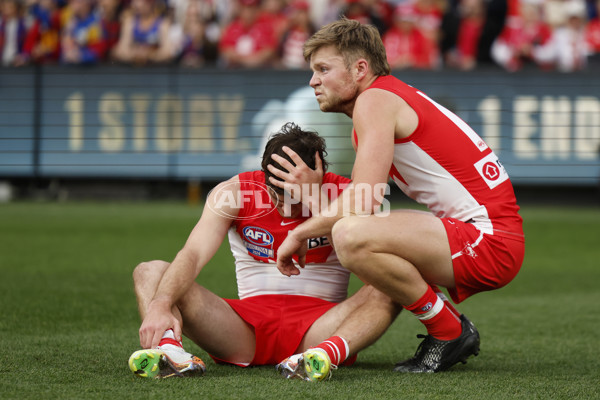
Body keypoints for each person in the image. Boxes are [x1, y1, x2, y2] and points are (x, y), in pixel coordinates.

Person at [269, 18, 525, 375]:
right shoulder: (387, 95)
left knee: (350, 235)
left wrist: (298, 232)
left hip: (488, 240)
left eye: (323, 69)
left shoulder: (373, 100)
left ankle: (448, 330)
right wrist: (314, 195)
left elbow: (363, 202)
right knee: (358, 234)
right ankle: (447, 329)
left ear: (361, 68)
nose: (313, 81)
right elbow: (365, 201)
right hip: (487, 235)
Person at [128, 122, 401, 381]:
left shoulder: (349, 194)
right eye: (277, 196)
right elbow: (193, 255)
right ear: (264, 175)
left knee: (395, 279)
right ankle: (169, 352)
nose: (284, 209)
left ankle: (322, 356)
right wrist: (161, 304)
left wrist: (315, 200)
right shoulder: (234, 192)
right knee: (148, 272)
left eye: (294, 198)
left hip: (321, 327)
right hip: (242, 330)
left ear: (319, 174)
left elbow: (374, 271)